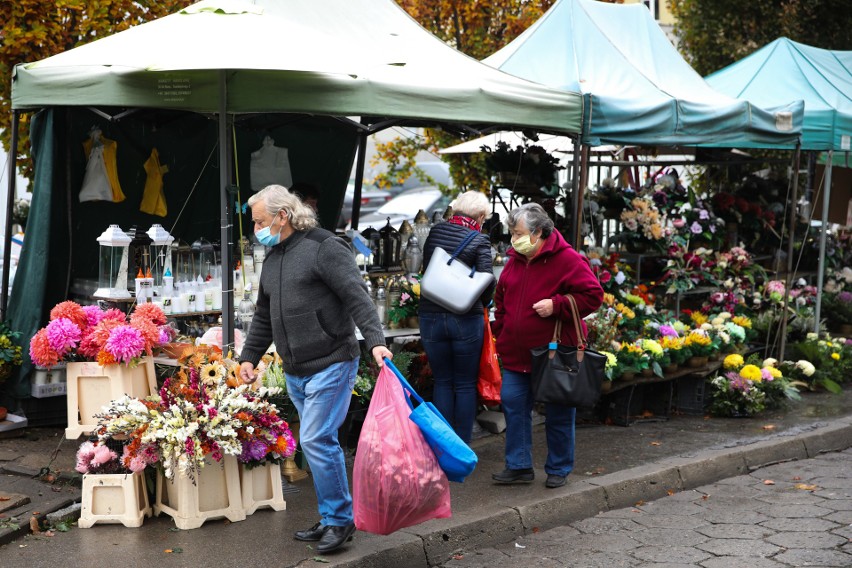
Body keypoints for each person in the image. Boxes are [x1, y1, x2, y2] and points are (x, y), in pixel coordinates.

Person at [238, 184, 392, 553]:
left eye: (259, 221)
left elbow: (357, 295)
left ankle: (339, 522)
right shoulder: (274, 256)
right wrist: (249, 357)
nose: (255, 229)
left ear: (282, 216)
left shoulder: (324, 248)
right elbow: (263, 314)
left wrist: (376, 341)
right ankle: (330, 517)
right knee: (320, 444)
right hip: (296, 368)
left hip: (332, 362)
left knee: (315, 440)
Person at [491, 203, 603, 489]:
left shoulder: (567, 259)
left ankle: (559, 468)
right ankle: (518, 466)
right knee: (514, 407)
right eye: (512, 233)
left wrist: (557, 305)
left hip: (556, 354)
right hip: (517, 354)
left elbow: (593, 295)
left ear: (539, 232)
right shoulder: (516, 259)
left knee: (559, 413)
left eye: (518, 233)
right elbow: (502, 297)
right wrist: (502, 333)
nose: (513, 239)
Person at [419, 191, 495, 443]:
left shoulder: (436, 232)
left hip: (431, 315)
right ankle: (461, 445)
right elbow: (486, 280)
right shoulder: (480, 240)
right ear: (481, 216)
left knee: (442, 381)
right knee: (463, 384)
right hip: (465, 318)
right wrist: (486, 304)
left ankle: (442, 444)